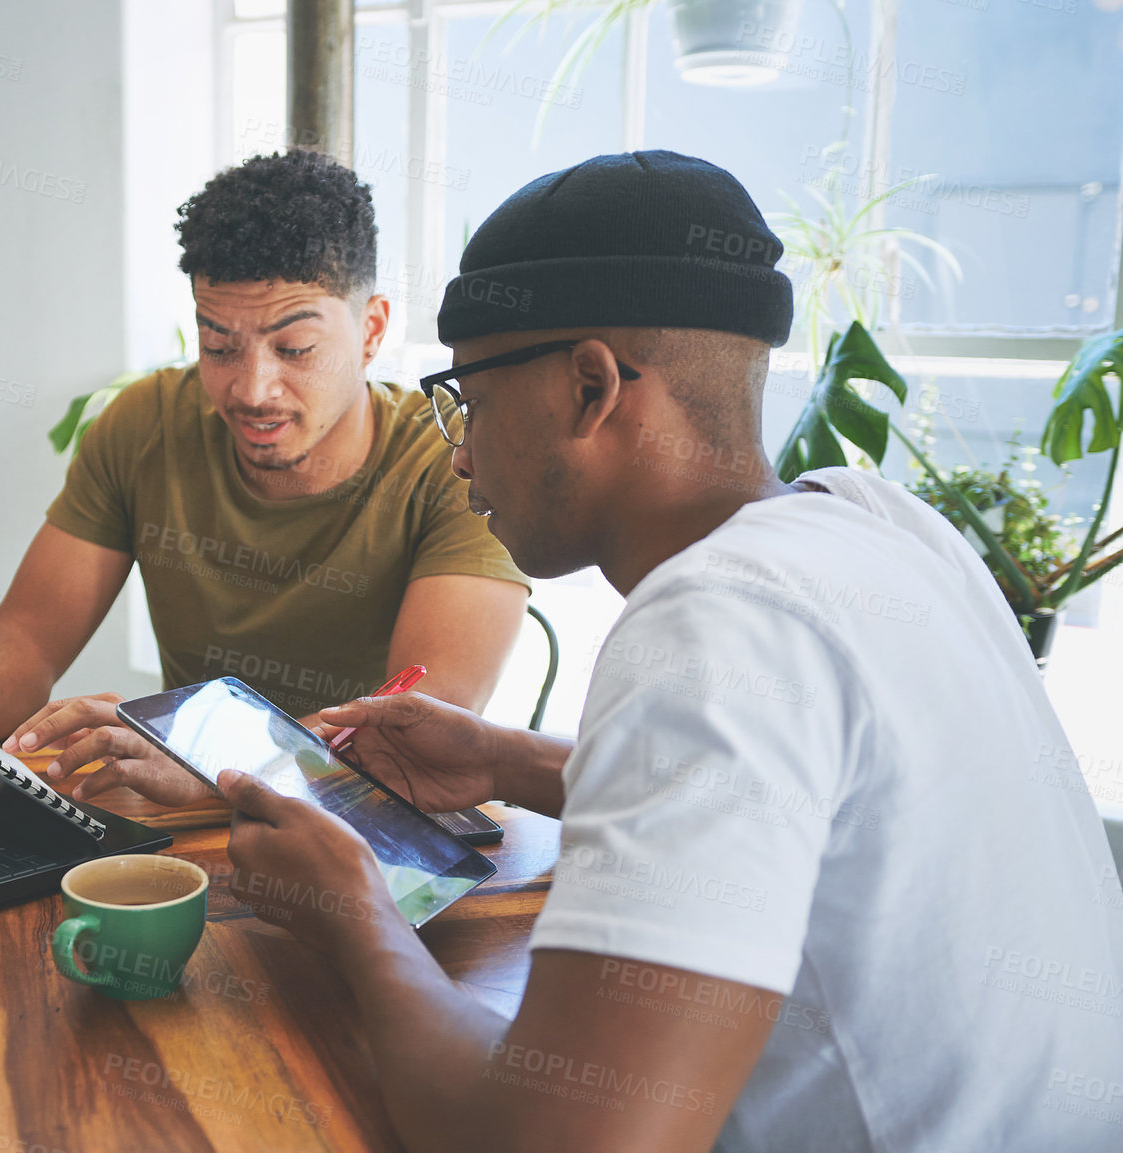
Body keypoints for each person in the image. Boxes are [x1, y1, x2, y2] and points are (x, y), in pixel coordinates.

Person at [217, 151, 1123, 1151]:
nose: (460, 449)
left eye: (466, 397)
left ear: (590, 386)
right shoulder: (880, 523)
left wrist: (354, 917)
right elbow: (821, 809)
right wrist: (509, 762)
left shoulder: (711, 617)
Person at [0, 149, 529, 805]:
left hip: (367, 837)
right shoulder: (146, 424)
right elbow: (28, 630)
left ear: (372, 329)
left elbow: (415, 729)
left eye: (296, 349)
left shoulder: (453, 461)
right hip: (180, 824)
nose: (253, 389)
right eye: (218, 345)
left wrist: (212, 759)